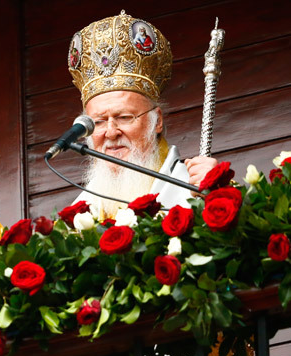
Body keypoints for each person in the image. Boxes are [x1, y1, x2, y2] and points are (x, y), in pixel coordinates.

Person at [68, 11, 218, 219]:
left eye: (124, 117)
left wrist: (218, 193)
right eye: (99, 122)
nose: (111, 133)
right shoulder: (77, 218)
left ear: (157, 121)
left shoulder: (194, 187)